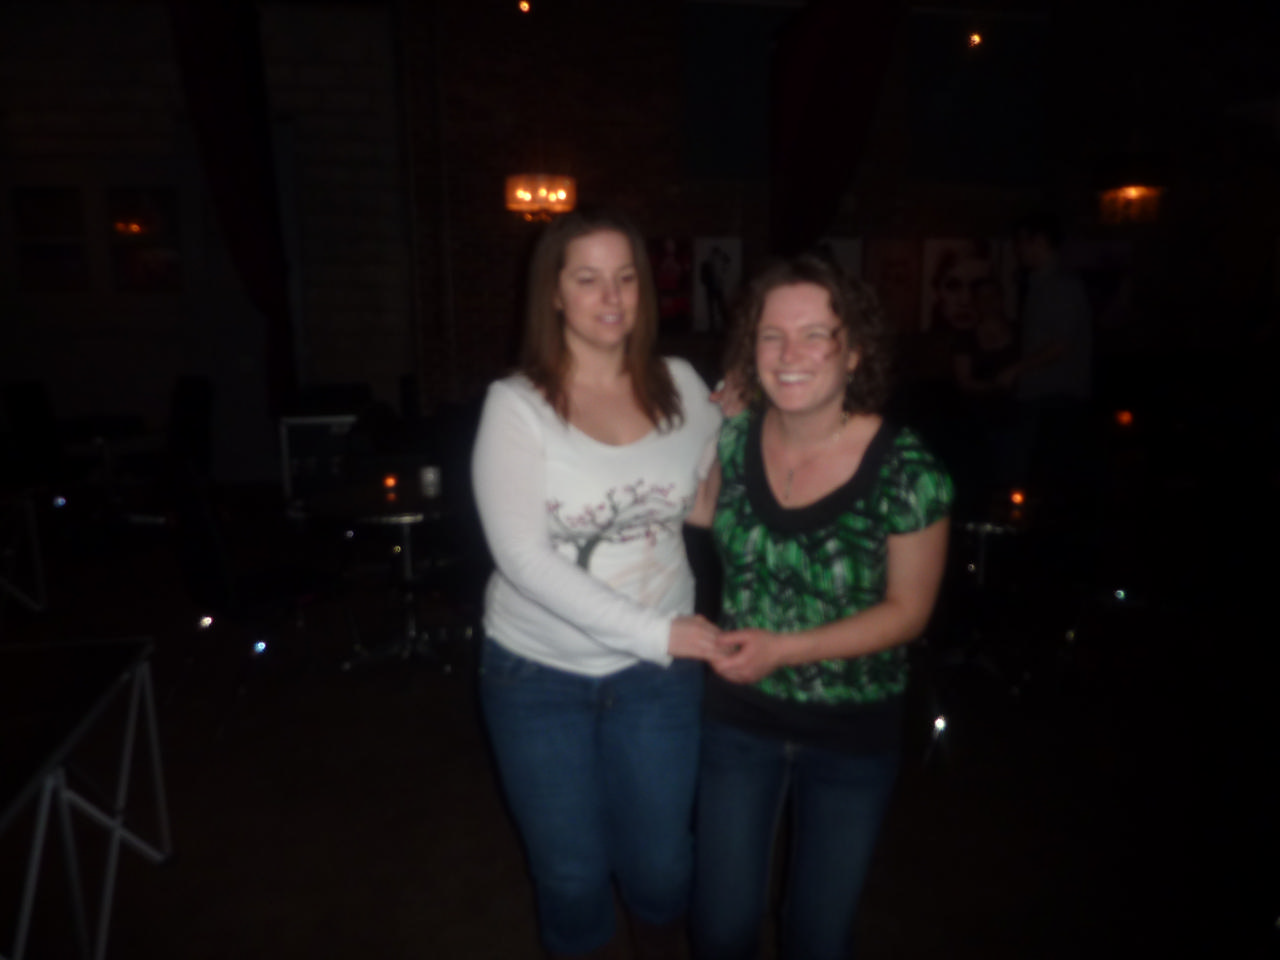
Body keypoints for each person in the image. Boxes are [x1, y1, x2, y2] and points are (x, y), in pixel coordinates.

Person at [470, 206, 724, 960]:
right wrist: (660, 633)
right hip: (537, 676)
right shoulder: (516, 405)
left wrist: (738, 426)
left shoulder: (681, 384)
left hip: (657, 680)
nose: (611, 297)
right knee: (572, 876)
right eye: (588, 279)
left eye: (626, 278)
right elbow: (523, 559)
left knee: (664, 866)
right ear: (553, 293)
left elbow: (702, 506)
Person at [686, 254, 953, 960]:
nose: (789, 354)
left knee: (817, 937)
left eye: (815, 335)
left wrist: (783, 648)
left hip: (851, 732)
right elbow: (697, 515)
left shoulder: (908, 471)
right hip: (739, 718)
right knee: (719, 929)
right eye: (771, 336)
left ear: (854, 350)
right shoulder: (736, 438)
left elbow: (909, 612)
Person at [1003, 212, 1093, 497]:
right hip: (1040, 393)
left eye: (1022, 242)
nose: (1018, 250)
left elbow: (1060, 345)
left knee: (1048, 480)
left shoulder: (1063, 285)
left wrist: (1016, 369)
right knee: (1034, 477)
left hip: (1057, 395)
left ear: (1039, 242)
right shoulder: (1038, 283)